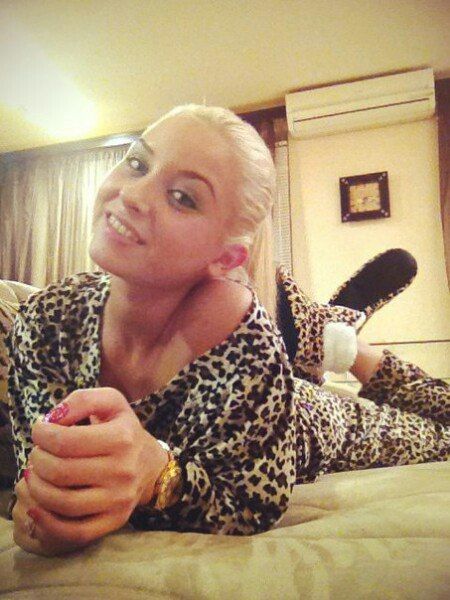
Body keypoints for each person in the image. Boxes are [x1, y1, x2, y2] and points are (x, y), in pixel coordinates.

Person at [6, 105, 449, 557]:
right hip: (269, 382)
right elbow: (39, 475)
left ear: (226, 258)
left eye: (182, 197)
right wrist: (43, 507)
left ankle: (347, 344)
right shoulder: (45, 322)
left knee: (443, 433)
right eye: (137, 163)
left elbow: (251, 502)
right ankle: (329, 330)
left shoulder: (242, 329)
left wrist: (159, 477)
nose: (133, 194)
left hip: (308, 418)